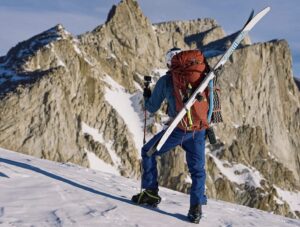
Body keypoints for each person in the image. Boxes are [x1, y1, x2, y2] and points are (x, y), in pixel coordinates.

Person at [131, 47, 214, 224]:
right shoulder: (200, 75)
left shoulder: (167, 79)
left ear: (170, 62)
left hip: (179, 128)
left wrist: (147, 96)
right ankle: (196, 208)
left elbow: (152, 107)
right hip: (198, 129)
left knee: (148, 151)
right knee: (198, 170)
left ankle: (150, 193)